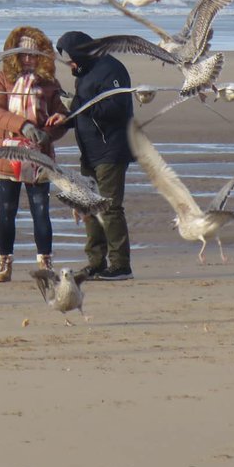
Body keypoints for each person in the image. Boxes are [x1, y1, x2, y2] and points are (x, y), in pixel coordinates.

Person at [0, 26, 68, 283]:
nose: (29, 59)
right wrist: (23, 126)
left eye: (34, 54)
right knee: (6, 211)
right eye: (23, 54)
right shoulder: (1, 79)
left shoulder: (50, 83)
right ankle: (4, 264)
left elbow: (62, 118)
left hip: (38, 156)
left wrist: (50, 131)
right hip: (6, 154)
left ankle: (45, 263)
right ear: (14, 55)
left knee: (40, 212)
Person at [55, 31, 134, 281]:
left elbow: (116, 107)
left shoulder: (111, 69)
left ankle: (120, 265)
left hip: (111, 149)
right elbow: (80, 108)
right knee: (87, 205)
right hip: (89, 150)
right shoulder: (84, 74)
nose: (70, 66)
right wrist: (66, 119)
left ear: (80, 53)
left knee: (110, 207)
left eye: (70, 60)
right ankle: (96, 262)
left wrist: (82, 108)